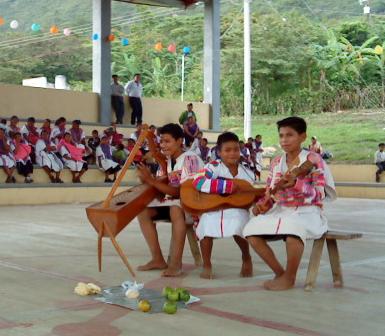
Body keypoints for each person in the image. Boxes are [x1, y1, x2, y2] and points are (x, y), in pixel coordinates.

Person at [244, 116, 336, 291]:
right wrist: (262, 205)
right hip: (282, 210)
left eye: (289, 135)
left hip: (308, 211)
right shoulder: (276, 162)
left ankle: (290, 277)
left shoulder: (314, 161)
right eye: (281, 136)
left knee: (294, 228)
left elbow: (319, 195)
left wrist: (297, 185)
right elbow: (271, 192)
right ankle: (280, 273)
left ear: (302, 137)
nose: (284, 140)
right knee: (250, 231)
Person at [135, 123, 204, 277]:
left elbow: (184, 192)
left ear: (180, 141)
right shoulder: (167, 162)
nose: (163, 145)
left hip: (195, 205)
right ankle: (157, 259)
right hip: (177, 203)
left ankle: (176, 264)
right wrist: (148, 181)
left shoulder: (190, 158)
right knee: (143, 211)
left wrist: (152, 182)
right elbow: (162, 189)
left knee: (175, 209)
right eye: (161, 141)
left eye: (167, 141)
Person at [192, 132, 255, 279]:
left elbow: (249, 195)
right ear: (219, 152)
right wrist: (225, 187)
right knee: (206, 225)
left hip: (236, 209)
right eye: (227, 150)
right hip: (213, 208)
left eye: (236, 149)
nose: (232, 153)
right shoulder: (213, 167)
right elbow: (198, 182)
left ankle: (246, 258)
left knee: (239, 224)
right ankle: (207, 264)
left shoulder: (247, 172)